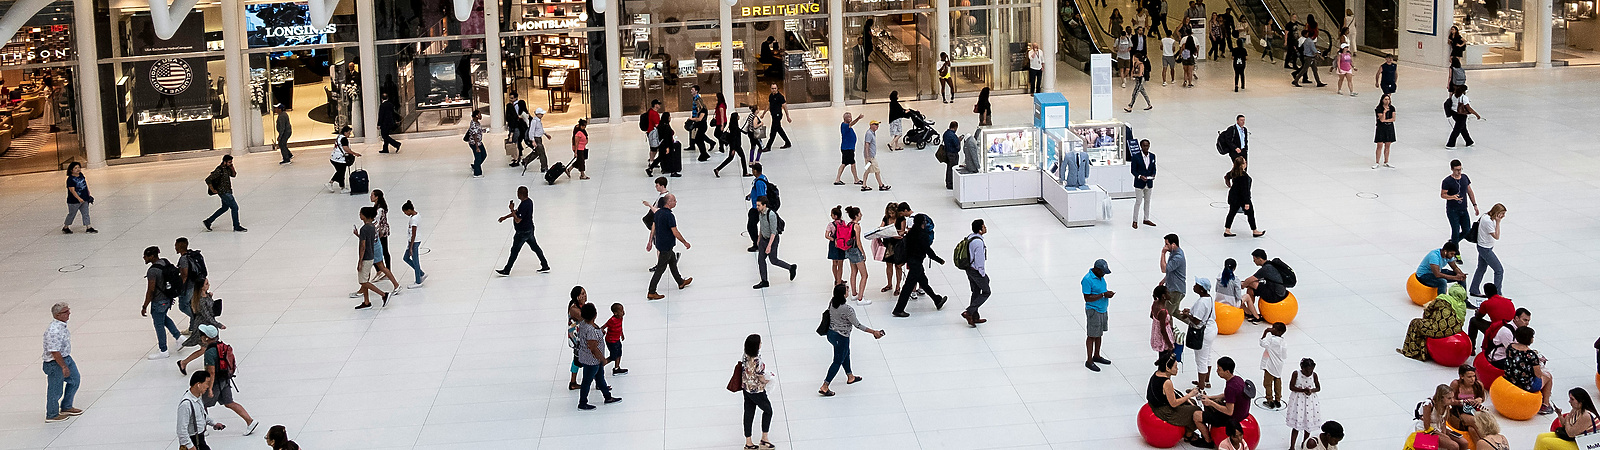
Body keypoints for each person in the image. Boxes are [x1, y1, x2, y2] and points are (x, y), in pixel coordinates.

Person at [821, 284, 886, 396]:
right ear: (843, 294)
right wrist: (873, 332)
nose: (848, 291)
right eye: (847, 289)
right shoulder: (847, 309)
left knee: (846, 353)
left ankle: (850, 376)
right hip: (841, 337)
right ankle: (825, 386)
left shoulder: (832, 302)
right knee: (837, 361)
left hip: (831, 334)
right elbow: (858, 325)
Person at [198, 325, 259, 435]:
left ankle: (202, 429)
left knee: (202, 404)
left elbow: (211, 372)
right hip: (225, 380)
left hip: (215, 382)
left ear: (207, 337)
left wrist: (210, 388)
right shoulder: (222, 346)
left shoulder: (209, 353)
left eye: (203, 334)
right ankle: (250, 421)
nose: (201, 336)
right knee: (229, 402)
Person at [891, 204, 947, 317]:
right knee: (907, 287)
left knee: (924, 283)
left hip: (912, 262)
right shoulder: (923, 235)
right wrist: (938, 259)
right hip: (917, 263)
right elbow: (928, 250)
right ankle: (898, 309)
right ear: (923, 223)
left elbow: (907, 249)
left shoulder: (911, 233)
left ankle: (937, 300)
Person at [1398, 284, 1469, 361]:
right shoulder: (1462, 305)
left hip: (1437, 330)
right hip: (1454, 330)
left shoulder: (1442, 299)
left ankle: (1412, 351)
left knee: (1415, 323)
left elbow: (1428, 311)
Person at [1147, 352, 1204, 440]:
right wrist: (1189, 395)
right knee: (1196, 410)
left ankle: (1188, 431)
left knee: (1191, 402)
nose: (1177, 369)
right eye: (1175, 367)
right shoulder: (1167, 382)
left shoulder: (1157, 374)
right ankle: (1189, 435)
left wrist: (1186, 399)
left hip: (1156, 404)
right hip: (1163, 411)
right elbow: (1173, 404)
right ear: (1168, 368)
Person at [575, 303, 622, 410]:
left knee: (600, 378)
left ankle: (607, 397)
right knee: (587, 381)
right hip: (592, 361)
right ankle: (582, 403)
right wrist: (602, 359)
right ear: (595, 315)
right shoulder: (591, 330)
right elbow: (593, 348)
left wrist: (600, 332)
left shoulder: (583, 324)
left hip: (588, 358)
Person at [495, 186, 550, 276]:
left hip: (522, 232)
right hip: (529, 229)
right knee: (535, 248)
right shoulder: (529, 202)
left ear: (521, 194)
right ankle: (545, 265)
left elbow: (518, 219)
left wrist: (511, 209)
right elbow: (517, 212)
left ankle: (507, 270)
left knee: (514, 251)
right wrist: (505, 217)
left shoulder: (524, 205)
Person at [1197, 357, 1252, 447]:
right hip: (1242, 412)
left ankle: (1208, 441)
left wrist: (1211, 403)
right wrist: (1210, 397)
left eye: (1219, 369)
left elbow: (1229, 411)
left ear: (1227, 371)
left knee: (1196, 415)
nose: (1217, 371)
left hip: (1233, 418)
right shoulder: (1238, 379)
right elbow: (1227, 395)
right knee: (1211, 404)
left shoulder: (1230, 387)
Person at [646, 194, 692, 300]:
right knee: (660, 269)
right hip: (666, 245)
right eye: (674, 200)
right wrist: (685, 242)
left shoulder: (658, 213)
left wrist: (650, 241)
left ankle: (680, 282)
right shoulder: (669, 216)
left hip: (661, 244)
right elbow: (674, 231)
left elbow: (653, 227)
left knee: (672, 263)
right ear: (668, 203)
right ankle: (651, 292)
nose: (676, 202)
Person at [142, 246, 183, 360]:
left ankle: (163, 350)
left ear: (151, 256)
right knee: (164, 318)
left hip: (158, 301)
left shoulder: (152, 271)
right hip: (168, 298)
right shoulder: (165, 262)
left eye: (145, 256)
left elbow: (151, 290)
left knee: (159, 325)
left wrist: (145, 305)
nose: (144, 258)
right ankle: (178, 337)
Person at [1504, 326, 1557, 415]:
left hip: (1510, 380)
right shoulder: (1531, 354)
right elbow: (1538, 374)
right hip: (1526, 385)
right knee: (1548, 376)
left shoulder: (1510, 347)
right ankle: (1545, 404)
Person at [42, 302, 80, 422]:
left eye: (69, 310)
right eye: (66, 312)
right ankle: (52, 414)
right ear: (58, 315)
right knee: (55, 389)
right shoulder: (54, 330)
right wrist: (63, 366)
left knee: (74, 380)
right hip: (56, 363)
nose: (69, 313)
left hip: (66, 358)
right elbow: (54, 351)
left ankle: (66, 406)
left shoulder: (62, 325)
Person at [739, 334, 775, 449]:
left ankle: (748, 442)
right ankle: (764, 439)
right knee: (768, 411)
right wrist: (767, 381)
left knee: (749, 413)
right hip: (757, 391)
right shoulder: (757, 360)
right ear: (756, 346)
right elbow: (760, 376)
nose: (761, 344)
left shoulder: (745, 355)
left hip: (746, 389)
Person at [1179, 279, 1218, 387]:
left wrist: (1187, 315)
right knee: (1208, 356)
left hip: (1203, 333)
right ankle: (1206, 381)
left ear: (1201, 289)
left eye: (1196, 285)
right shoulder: (1208, 298)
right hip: (1212, 328)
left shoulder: (1202, 302)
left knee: (1201, 360)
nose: (1194, 286)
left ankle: (1201, 388)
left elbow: (1197, 320)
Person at [752, 196, 796, 289]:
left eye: (759, 205)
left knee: (773, 260)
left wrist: (769, 246)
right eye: (757, 205)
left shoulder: (771, 215)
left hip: (772, 240)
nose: (757, 207)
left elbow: (773, 232)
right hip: (763, 239)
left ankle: (791, 267)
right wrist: (759, 239)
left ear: (764, 205)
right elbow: (762, 226)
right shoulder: (760, 213)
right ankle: (764, 281)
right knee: (761, 260)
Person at [352, 207, 388, 309]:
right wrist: (358, 235)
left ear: (364, 215)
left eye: (360, 213)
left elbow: (363, 246)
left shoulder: (364, 229)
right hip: (371, 255)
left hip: (366, 258)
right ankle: (366, 301)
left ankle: (383, 294)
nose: (359, 215)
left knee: (363, 281)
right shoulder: (372, 227)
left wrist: (360, 261)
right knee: (365, 278)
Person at [1083, 259, 1115, 372]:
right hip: (1094, 310)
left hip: (1103, 309)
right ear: (1097, 269)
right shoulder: (1087, 280)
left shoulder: (1101, 277)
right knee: (1092, 335)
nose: (1104, 274)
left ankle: (1097, 355)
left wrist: (1106, 294)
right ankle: (1089, 360)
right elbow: (1087, 298)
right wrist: (1103, 295)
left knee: (1099, 333)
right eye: (1103, 271)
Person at [178, 371, 224, 450]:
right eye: (206, 383)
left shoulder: (198, 398)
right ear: (198, 385)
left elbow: (202, 415)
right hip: (192, 440)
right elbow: (181, 430)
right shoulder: (186, 404)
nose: (208, 386)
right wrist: (191, 446)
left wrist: (214, 424)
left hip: (199, 438)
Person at [1286, 358, 1323, 448]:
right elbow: (1291, 386)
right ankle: (1292, 446)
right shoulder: (1296, 374)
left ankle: (1304, 443)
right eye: (1307, 370)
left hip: (1310, 402)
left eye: (1311, 370)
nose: (1309, 372)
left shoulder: (1314, 375)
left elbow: (1318, 388)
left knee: (1308, 424)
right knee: (1296, 425)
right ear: (1302, 368)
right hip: (1298, 401)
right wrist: (1302, 390)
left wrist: (1311, 390)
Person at [1423, 384, 1473, 450]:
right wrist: (1444, 437)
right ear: (1441, 398)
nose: (1452, 400)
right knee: (1454, 446)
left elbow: (1443, 423)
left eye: (1452, 397)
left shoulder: (1447, 405)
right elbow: (1427, 427)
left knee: (1464, 443)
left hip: (1439, 427)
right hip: (1429, 430)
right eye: (1449, 398)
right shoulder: (1429, 404)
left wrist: (1444, 434)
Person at [203, 155, 245, 232]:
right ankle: (236, 226)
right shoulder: (219, 170)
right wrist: (213, 190)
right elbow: (208, 179)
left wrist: (232, 168)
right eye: (229, 162)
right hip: (224, 192)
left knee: (224, 208)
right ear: (224, 162)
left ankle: (208, 221)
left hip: (228, 191)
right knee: (235, 207)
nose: (231, 163)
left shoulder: (227, 168)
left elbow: (234, 175)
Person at [1223, 157, 1264, 237]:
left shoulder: (1234, 172)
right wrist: (1247, 202)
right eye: (1244, 162)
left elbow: (1228, 176)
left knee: (1231, 213)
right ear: (1241, 165)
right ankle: (1254, 230)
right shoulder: (1243, 177)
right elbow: (1245, 191)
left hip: (1233, 197)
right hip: (1241, 198)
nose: (1246, 163)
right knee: (1250, 213)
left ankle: (1227, 230)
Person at [961, 219, 990, 327]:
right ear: (980, 230)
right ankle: (969, 312)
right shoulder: (978, 242)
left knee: (976, 291)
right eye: (984, 226)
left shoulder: (970, 237)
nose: (985, 227)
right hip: (976, 271)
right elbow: (979, 261)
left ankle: (974, 316)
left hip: (969, 269)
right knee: (986, 291)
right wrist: (982, 274)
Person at [1242, 249, 1287, 314]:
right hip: (1280, 292)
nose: (1253, 261)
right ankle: (1250, 311)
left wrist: (1242, 285)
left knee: (1251, 284)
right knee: (1250, 290)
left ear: (1260, 259)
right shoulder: (1270, 265)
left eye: (1254, 259)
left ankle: (1250, 312)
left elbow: (1250, 280)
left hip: (1275, 295)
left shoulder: (1266, 269)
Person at [714, 105, 750, 178]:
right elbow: (733, 138)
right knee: (742, 157)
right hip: (736, 145)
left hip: (735, 145)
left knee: (730, 158)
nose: (739, 117)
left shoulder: (733, 125)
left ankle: (718, 169)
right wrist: (733, 148)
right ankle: (745, 172)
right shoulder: (734, 127)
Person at [1260, 322, 1288, 409]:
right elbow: (1284, 356)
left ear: (1278, 332)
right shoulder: (1283, 342)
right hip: (1279, 365)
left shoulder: (1272, 340)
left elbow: (1262, 343)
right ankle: (1278, 399)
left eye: (1274, 328)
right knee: (1277, 381)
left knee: (1267, 383)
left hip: (1270, 365)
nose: (1271, 329)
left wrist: (1265, 332)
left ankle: (1269, 400)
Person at [62, 162, 95, 234]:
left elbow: (85, 185)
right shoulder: (70, 179)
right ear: (71, 170)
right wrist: (79, 199)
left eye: (79, 167)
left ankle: (88, 227)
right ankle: (66, 227)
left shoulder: (81, 175)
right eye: (75, 168)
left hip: (84, 198)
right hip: (74, 201)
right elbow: (72, 190)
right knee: (72, 214)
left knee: (85, 213)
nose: (78, 169)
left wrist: (88, 194)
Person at [1130, 139, 1157, 227]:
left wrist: (1153, 174)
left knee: (1147, 201)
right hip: (1139, 183)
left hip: (1149, 182)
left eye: (1147, 145)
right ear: (1141, 146)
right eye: (1144, 146)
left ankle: (1146, 219)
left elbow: (1153, 168)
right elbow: (1133, 170)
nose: (1146, 147)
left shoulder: (1152, 156)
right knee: (1138, 201)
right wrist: (1139, 176)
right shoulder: (1136, 157)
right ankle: (1135, 220)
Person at [1446, 84, 1481, 149]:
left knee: (1463, 128)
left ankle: (1469, 141)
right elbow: (1468, 108)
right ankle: (1450, 144)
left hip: (1454, 114)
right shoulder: (1464, 98)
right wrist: (1476, 114)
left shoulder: (1454, 95)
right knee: (1457, 130)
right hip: (1461, 115)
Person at [399, 201, 425, 287]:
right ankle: (420, 273)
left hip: (414, 241)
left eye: (405, 212)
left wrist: (411, 247)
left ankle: (418, 281)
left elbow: (413, 233)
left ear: (409, 210)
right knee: (406, 258)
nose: (405, 214)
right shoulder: (416, 215)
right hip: (413, 241)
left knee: (415, 260)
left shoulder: (414, 219)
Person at [834, 113, 865, 185]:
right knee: (850, 163)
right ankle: (855, 179)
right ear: (845, 118)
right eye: (849, 117)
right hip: (847, 148)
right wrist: (858, 118)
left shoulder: (846, 125)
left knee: (846, 163)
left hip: (848, 148)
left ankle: (839, 179)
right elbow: (852, 123)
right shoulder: (845, 125)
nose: (850, 118)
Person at [746, 164, 771, 252]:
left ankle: (756, 244)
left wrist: (759, 208)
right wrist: (750, 195)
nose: (752, 172)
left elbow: (761, 195)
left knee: (751, 226)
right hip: (757, 206)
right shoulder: (763, 178)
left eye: (753, 170)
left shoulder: (759, 182)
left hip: (756, 208)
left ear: (755, 171)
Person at [1159, 234, 1186, 313]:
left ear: (1173, 244)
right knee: (1175, 312)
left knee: (1167, 313)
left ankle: (1169, 326)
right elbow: (1171, 271)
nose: (1165, 247)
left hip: (1175, 290)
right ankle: (1192, 323)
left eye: (1167, 244)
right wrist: (1164, 280)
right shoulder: (1173, 253)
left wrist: (1163, 253)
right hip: (1173, 288)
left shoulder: (1177, 257)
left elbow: (1164, 269)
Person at [327, 126, 359, 191]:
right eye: (348, 133)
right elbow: (346, 149)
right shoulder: (344, 139)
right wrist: (354, 153)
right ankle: (340, 187)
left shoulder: (339, 136)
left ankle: (335, 184)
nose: (349, 134)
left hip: (334, 157)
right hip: (340, 159)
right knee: (341, 173)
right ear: (345, 132)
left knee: (340, 172)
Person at [504, 91, 533, 163]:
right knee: (518, 140)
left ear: (516, 98)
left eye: (512, 98)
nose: (511, 100)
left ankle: (533, 150)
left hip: (522, 125)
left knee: (524, 139)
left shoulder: (520, 104)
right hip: (517, 125)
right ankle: (519, 153)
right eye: (510, 98)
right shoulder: (510, 106)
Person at [687, 86, 714, 161]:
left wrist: (692, 119)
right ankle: (704, 153)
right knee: (699, 139)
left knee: (699, 139)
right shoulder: (699, 107)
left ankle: (704, 153)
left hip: (701, 125)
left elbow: (700, 119)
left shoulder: (702, 109)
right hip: (700, 125)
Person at [1151, 286, 1177, 361]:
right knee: (1165, 358)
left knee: (1161, 355)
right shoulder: (1162, 311)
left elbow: (1151, 316)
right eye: (1168, 293)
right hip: (1163, 337)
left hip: (1156, 334)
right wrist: (1169, 344)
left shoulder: (1155, 303)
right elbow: (1163, 330)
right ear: (1163, 296)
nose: (1170, 294)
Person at [764, 83, 792, 151]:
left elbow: (784, 106)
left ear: (777, 89)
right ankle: (788, 142)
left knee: (773, 131)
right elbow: (769, 104)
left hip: (778, 115)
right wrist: (764, 113)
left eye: (775, 88)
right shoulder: (771, 96)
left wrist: (788, 116)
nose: (773, 90)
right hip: (773, 115)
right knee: (779, 129)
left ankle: (768, 146)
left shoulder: (780, 97)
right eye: (772, 88)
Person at [861, 121, 889, 191]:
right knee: (877, 171)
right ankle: (881, 185)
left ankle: (864, 185)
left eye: (878, 125)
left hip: (870, 156)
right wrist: (868, 157)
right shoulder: (869, 134)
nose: (877, 126)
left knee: (867, 170)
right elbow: (867, 144)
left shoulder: (872, 133)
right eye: (875, 124)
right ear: (871, 125)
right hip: (870, 157)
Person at [601, 303, 627, 375]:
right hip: (611, 341)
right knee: (613, 356)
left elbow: (620, 327)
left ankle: (617, 368)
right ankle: (600, 365)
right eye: (621, 311)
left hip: (617, 339)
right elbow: (604, 326)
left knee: (619, 353)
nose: (623, 312)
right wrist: (601, 330)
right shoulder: (612, 320)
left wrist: (621, 334)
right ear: (615, 313)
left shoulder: (620, 318)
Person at [1374, 93, 1396, 169]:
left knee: (1388, 145)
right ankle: (1377, 162)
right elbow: (1382, 119)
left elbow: (1393, 119)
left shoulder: (1392, 108)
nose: (1387, 101)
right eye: (1385, 99)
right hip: (1381, 128)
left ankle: (1386, 161)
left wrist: (1387, 120)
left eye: (1388, 99)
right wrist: (1384, 112)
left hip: (1389, 127)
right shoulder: (1379, 108)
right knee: (1379, 145)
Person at [462, 110, 486, 177]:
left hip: (479, 142)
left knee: (484, 155)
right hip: (475, 143)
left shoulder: (477, 122)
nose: (480, 116)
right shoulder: (473, 124)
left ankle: (475, 166)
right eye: (479, 114)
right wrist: (477, 147)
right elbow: (474, 135)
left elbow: (478, 131)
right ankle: (477, 173)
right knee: (478, 157)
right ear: (476, 116)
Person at [942, 121, 960, 189]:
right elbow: (956, 145)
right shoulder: (953, 135)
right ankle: (951, 183)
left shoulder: (945, 133)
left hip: (947, 153)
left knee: (949, 168)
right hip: (953, 154)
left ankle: (948, 182)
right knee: (952, 169)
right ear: (955, 127)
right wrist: (959, 141)